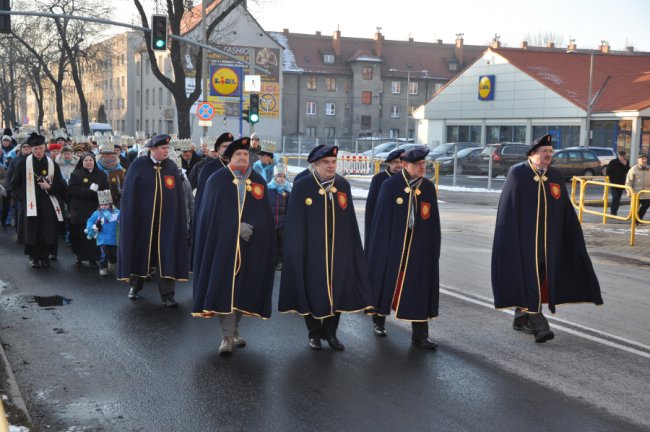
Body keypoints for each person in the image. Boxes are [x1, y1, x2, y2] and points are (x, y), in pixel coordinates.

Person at [492, 134, 603, 343]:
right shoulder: (518, 174)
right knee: (529, 277)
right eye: (544, 152)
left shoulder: (555, 177)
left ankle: (520, 317)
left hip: (548, 243)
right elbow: (507, 212)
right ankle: (541, 326)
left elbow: (565, 209)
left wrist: (572, 236)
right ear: (533, 154)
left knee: (541, 277)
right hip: (524, 243)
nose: (548, 156)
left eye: (551, 152)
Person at [279, 145, 373, 351]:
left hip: (338, 251)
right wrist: (295, 250)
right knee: (311, 290)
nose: (331, 166)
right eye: (326, 162)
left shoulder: (342, 186)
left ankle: (331, 333)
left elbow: (349, 221)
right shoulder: (303, 186)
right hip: (311, 252)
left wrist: (351, 249)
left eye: (333, 162)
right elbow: (294, 222)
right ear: (315, 164)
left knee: (336, 291)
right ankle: (314, 334)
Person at [192, 137, 276, 356]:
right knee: (225, 288)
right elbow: (209, 215)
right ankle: (226, 337)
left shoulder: (258, 181)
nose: (242, 157)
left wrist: (254, 228)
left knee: (244, 288)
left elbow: (265, 214)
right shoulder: (217, 180)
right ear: (230, 157)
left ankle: (235, 329)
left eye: (246, 154)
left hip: (251, 244)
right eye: (238, 154)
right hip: (223, 245)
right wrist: (233, 227)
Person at [365, 147, 441, 348]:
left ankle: (420, 336)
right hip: (393, 247)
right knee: (386, 283)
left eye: (425, 164)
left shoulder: (428, 188)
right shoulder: (390, 186)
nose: (422, 168)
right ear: (405, 165)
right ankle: (379, 320)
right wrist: (381, 250)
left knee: (419, 288)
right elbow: (381, 222)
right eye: (418, 164)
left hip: (418, 248)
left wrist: (434, 250)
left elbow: (434, 223)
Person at [117, 134, 189, 307]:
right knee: (140, 254)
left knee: (167, 256)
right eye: (163, 148)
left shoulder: (171, 167)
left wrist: (181, 220)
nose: (166, 151)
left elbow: (179, 198)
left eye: (167, 148)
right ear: (153, 149)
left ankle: (168, 295)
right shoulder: (138, 166)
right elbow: (128, 197)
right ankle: (135, 286)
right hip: (142, 223)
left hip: (167, 224)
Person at [10, 133, 67, 268]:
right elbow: (14, 184)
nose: (39, 151)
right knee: (33, 231)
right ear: (31, 149)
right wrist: (22, 198)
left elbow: (61, 186)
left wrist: (50, 187)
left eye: (41, 148)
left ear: (45, 147)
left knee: (47, 230)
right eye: (36, 149)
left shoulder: (52, 164)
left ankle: (45, 256)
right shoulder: (23, 163)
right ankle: (34, 257)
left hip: (49, 204)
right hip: (30, 203)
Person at [68, 153, 109, 266]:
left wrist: (105, 204)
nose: (88, 162)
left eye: (90, 160)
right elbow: (72, 190)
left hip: (96, 208)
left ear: (94, 161)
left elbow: (106, 190)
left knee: (95, 232)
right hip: (80, 208)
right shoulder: (76, 174)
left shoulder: (101, 174)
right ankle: (79, 254)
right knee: (81, 233)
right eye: (86, 160)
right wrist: (91, 193)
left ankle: (93, 258)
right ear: (82, 162)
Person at [364, 148, 405, 250]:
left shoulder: (407, 179)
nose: (399, 165)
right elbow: (371, 205)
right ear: (389, 163)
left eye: (401, 162)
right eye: (396, 162)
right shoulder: (379, 179)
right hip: (383, 223)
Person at [85, 190, 120, 276]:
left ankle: (111, 264)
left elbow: (122, 220)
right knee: (104, 254)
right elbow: (90, 221)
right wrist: (91, 228)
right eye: (102, 205)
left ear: (110, 204)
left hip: (114, 238)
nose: (104, 206)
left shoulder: (117, 213)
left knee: (113, 254)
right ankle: (103, 268)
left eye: (106, 204)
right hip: (102, 238)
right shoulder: (97, 214)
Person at [267, 164, 291, 270]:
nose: (281, 179)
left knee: (282, 243)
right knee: (272, 242)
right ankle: (270, 260)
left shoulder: (287, 192)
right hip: (271, 222)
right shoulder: (269, 190)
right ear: (275, 177)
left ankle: (280, 261)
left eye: (283, 177)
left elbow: (290, 208)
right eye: (279, 176)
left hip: (283, 223)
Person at [96, 141, 127, 208]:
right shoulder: (96, 166)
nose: (108, 155)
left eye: (110, 153)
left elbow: (123, 183)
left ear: (113, 154)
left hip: (116, 199)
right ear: (101, 154)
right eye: (105, 153)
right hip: (100, 200)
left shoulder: (119, 168)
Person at [625, 153, 650, 220]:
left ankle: (639, 220)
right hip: (636, 193)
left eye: (645, 159)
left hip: (647, 194)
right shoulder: (633, 169)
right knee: (635, 209)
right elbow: (628, 182)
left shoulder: (649, 169)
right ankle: (635, 221)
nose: (644, 160)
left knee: (645, 207)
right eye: (642, 159)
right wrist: (629, 192)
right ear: (638, 160)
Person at [606, 151, 630, 216]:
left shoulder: (626, 162)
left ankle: (614, 212)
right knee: (615, 197)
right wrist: (611, 180)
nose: (621, 157)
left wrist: (625, 165)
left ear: (624, 156)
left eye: (623, 156)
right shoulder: (613, 162)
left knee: (618, 198)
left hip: (621, 183)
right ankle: (613, 212)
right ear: (618, 156)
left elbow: (629, 172)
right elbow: (608, 172)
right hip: (613, 183)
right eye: (620, 156)